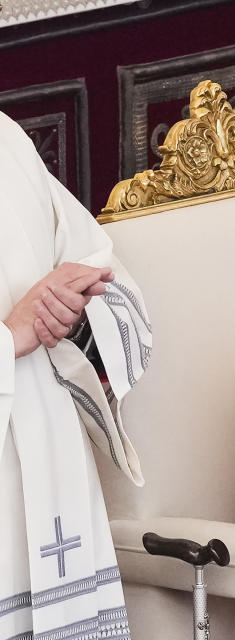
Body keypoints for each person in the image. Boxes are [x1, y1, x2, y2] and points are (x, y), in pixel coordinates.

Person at [0, 112, 151, 640]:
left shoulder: (5, 137)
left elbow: (96, 263)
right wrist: (10, 338)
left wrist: (76, 305)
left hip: (51, 461)